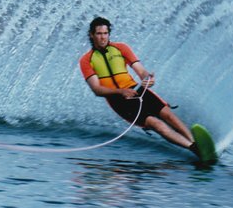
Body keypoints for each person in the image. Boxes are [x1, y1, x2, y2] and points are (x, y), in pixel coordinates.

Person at [79, 16, 201, 158]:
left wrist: (147, 78)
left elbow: (141, 70)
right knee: (156, 124)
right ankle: (193, 148)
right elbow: (97, 89)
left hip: (138, 91)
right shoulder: (86, 60)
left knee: (168, 115)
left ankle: (196, 143)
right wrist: (121, 92)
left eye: (105, 33)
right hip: (119, 101)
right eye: (99, 34)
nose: (103, 37)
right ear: (91, 35)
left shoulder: (121, 48)